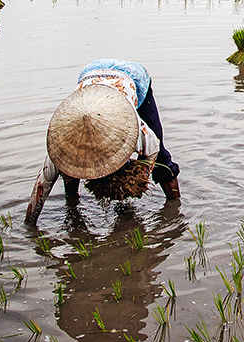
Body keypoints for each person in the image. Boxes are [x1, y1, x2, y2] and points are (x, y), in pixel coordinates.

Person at [25, 59, 180, 224]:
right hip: (90, 76)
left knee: (162, 161)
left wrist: (135, 180)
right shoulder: (60, 148)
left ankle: (175, 209)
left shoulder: (135, 129)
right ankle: (72, 206)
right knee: (69, 171)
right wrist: (30, 224)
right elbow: (42, 187)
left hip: (133, 76)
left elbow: (153, 151)